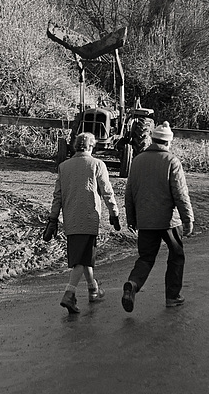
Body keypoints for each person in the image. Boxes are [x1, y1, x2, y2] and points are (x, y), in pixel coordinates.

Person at [121, 121, 194, 311]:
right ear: (168, 142)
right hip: (169, 220)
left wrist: (131, 219)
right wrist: (188, 218)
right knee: (176, 255)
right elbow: (180, 194)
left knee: (145, 258)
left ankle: (133, 284)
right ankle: (172, 296)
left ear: (152, 139)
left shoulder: (137, 161)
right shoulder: (171, 161)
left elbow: (129, 193)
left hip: (145, 220)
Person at [46, 131, 121, 314]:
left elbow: (57, 196)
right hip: (89, 217)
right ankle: (69, 294)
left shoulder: (64, 167)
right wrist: (114, 213)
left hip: (70, 218)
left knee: (84, 255)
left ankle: (93, 289)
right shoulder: (97, 164)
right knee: (81, 258)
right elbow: (107, 192)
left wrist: (53, 219)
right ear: (91, 146)